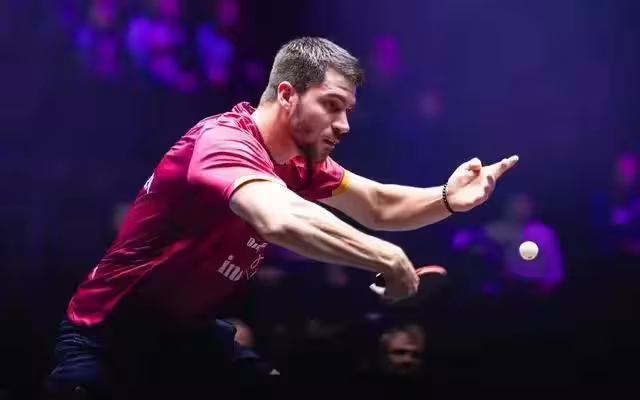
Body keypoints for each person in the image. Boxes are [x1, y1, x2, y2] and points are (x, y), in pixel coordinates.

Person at [46, 37, 518, 398]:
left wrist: (446, 198)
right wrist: (385, 256)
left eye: (348, 111)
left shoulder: (301, 163)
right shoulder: (222, 142)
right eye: (331, 105)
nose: (344, 125)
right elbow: (278, 217)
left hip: (188, 338)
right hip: (107, 341)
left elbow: (377, 205)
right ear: (287, 94)